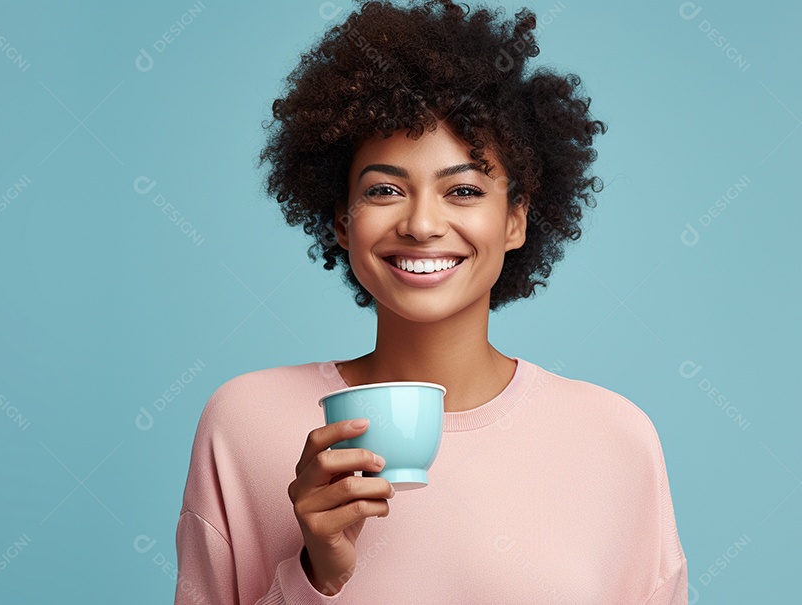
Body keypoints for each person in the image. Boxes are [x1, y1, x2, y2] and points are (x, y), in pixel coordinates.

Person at [175, 0, 688, 603]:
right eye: (385, 189)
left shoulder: (616, 439)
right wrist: (317, 574)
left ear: (516, 219)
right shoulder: (244, 422)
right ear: (341, 221)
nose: (421, 224)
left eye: (464, 189)